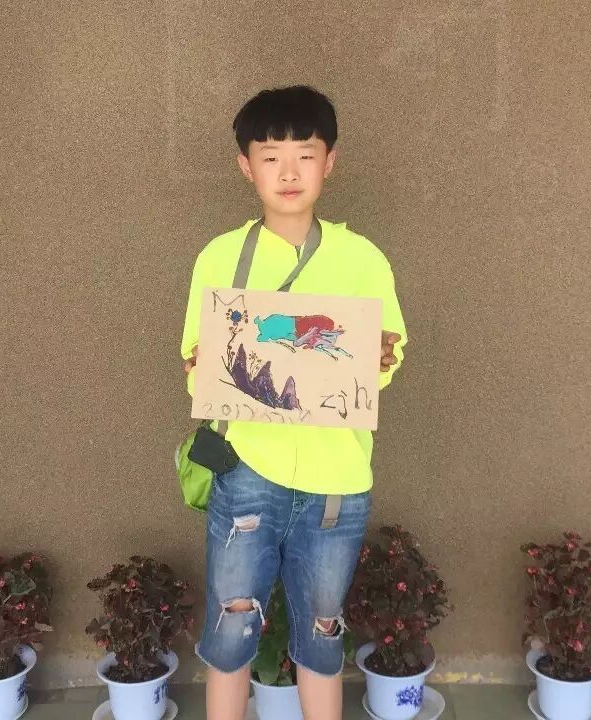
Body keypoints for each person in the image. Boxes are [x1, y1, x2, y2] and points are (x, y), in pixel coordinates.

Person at [180, 85, 408, 720]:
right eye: (270, 156)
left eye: (305, 155)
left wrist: (377, 357)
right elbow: (197, 355)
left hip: (338, 476)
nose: (288, 172)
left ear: (329, 162)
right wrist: (205, 366)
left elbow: (388, 355)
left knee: (323, 631)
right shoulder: (221, 256)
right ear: (245, 165)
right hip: (246, 470)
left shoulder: (362, 258)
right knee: (230, 633)